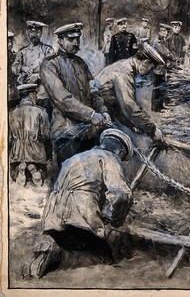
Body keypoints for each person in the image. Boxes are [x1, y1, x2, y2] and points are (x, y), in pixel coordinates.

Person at [23, 129, 134, 279]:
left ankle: (48, 253)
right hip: (80, 214)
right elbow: (121, 194)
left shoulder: (74, 158)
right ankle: (59, 256)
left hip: (53, 215)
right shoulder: (110, 158)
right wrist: (112, 218)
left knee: (74, 243)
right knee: (104, 257)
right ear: (120, 150)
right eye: (122, 156)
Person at [39, 23, 111, 167]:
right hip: (66, 133)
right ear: (59, 41)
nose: (76, 43)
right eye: (71, 39)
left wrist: (103, 110)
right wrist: (91, 115)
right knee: (70, 177)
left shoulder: (81, 63)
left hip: (88, 133)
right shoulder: (50, 64)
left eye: (78, 39)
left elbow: (93, 90)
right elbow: (62, 99)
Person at [95, 42, 165, 141]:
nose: (149, 72)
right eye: (151, 68)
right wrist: (152, 129)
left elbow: (118, 104)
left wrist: (131, 124)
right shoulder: (125, 72)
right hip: (96, 110)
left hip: (103, 109)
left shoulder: (126, 64)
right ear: (145, 63)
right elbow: (128, 106)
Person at [9, 83, 51, 187]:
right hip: (36, 154)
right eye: (35, 94)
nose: (36, 97)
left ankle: (21, 168)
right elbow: (46, 135)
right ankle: (34, 169)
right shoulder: (40, 112)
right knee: (43, 176)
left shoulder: (11, 113)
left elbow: (9, 138)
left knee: (14, 177)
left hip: (16, 155)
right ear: (31, 95)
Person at [12, 20, 55, 114]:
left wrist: (38, 76)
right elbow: (14, 67)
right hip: (26, 95)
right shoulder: (22, 52)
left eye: (37, 32)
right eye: (31, 32)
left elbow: (53, 70)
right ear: (27, 33)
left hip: (44, 94)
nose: (34, 34)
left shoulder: (48, 50)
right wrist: (22, 68)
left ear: (41, 33)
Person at [151, 24, 175, 112]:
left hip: (161, 68)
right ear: (160, 32)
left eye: (166, 32)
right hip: (157, 68)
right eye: (163, 31)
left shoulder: (163, 40)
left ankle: (160, 106)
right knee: (157, 88)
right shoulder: (158, 42)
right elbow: (166, 53)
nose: (165, 33)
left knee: (161, 87)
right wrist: (172, 57)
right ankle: (155, 108)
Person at [8, 30, 20, 109]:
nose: (9, 44)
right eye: (7, 42)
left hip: (14, 91)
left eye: (11, 42)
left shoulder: (15, 55)